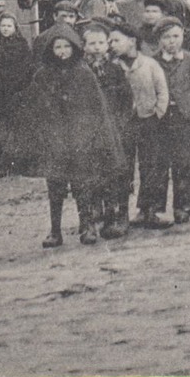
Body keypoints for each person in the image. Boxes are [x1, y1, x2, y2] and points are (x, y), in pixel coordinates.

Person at [16, 27, 125, 247]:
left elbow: (96, 109)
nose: (63, 51)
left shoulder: (83, 73)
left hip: (79, 141)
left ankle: (87, 227)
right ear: (51, 50)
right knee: (55, 188)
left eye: (67, 46)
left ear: (74, 48)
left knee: (82, 185)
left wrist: (90, 136)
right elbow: (35, 108)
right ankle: (55, 231)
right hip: (54, 141)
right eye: (58, 47)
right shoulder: (42, 75)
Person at [141, 18, 190, 226]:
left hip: (184, 119)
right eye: (166, 37)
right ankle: (158, 209)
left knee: (184, 163)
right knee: (160, 163)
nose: (172, 42)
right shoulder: (152, 62)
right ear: (159, 40)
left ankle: (182, 206)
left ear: (183, 36)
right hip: (161, 119)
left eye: (176, 36)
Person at [109, 21, 167, 229]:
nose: (112, 44)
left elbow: (162, 91)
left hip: (148, 122)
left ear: (132, 41)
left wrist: (157, 114)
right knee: (123, 168)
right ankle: (122, 216)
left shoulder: (150, 64)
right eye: (110, 41)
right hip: (123, 125)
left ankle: (149, 211)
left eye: (116, 40)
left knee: (150, 166)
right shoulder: (113, 66)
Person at [80, 21, 134, 238]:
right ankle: (96, 217)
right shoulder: (82, 71)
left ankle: (119, 216)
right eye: (91, 43)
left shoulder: (115, 69)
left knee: (118, 174)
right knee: (95, 174)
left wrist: (120, 124)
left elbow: (126, 98)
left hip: (114, 130)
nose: (96, 47)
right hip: (91, 131)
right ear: (84, 46)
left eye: (101, 42)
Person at [0, 12, 34, 173]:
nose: (5, 29)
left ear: (15, 28)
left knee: (16, 127)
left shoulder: (21, 44)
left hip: (15, 91)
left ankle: (17, 164)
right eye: (2, 25)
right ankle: (1, 163)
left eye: (9, 26)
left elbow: (26, 68)